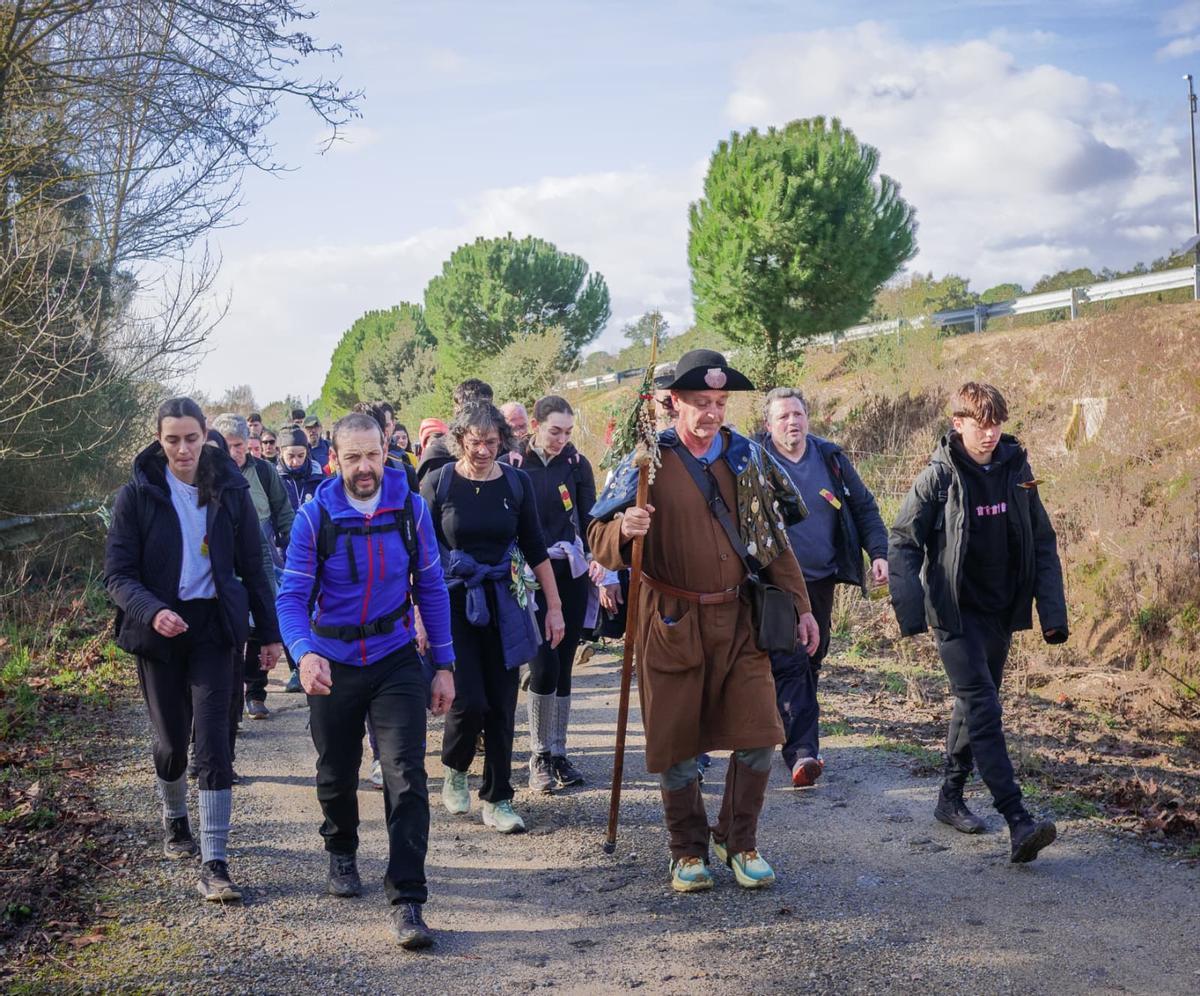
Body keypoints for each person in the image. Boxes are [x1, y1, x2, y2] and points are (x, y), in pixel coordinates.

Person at [588, 349, 819, 894]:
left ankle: (738, 840)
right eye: (700, 402)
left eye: (719, 402)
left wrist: (802, 606)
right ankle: (686, 849)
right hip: (670, 623)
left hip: (739, 619)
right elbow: (597, 543)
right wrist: (625, 528)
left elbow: (772, 542)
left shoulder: (746, 457)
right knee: (676, 743)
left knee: (761, 734)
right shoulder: (646, 462)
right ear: (673, 403)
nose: (712, 412)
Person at [276, 411, 456, 949]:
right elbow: (290, 599)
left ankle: (408, 900)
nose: (364, 467)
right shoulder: (314, 518)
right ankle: (341, 848)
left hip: (395, 654)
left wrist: (444, 664)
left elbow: (432, 587)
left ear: (386, 451)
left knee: (405, 774)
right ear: (334, 458)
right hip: (331, 659)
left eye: (372, 455)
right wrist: (305, 653)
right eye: (352, 457)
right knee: (336, 770)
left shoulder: (411, 510)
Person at [104, 398, 281, 902]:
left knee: (215, 741)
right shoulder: (136, 496)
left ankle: (215, 862)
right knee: (171, 742)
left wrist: (269, 634)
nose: (183, 449)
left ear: (206, 436)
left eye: (191, 438)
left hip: (214, 627)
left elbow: (254, 561)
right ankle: (174, 816)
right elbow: (117, 575)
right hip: (158, 628)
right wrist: (151, 610)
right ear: (158, 440)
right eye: (172, 439)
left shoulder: (230, 489)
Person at [889, 382, 1068, 864]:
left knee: (974, 705)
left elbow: (1043, 539)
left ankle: (949, 797)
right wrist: (911, 612)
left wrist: (1052, 613)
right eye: (979, 424)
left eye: (996, 424)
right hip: (954, 612)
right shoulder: (938, 477)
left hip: (1000, 611)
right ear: (958, 423)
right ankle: (1017, 820)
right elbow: (903, 539)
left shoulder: (1016, 469)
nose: (989, 434)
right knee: (985, 708)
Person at [421, 402, 565, 835]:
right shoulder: (437, 483)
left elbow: (536, 549)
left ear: (503, 440)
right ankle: (455, 767)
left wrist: (554, 608)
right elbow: (419, 555)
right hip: (453, 602)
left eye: (491, 441)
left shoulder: (516, 484)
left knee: (502, 704)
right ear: (460, 439)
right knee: (468, 701)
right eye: (474, 441)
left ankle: (499, 797)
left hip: (505, 599)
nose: (483, 450)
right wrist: (418, 616)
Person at [760, 388, 888, 787]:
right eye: (782, 417)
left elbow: (864, 507)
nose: (792, 422)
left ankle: (787, 731)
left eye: (797, 414)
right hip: (774, 584)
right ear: (768, 425)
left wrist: (878, 553)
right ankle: (803, 753)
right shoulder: (755, 460)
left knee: (813, 658)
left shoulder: (830, 459)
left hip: (820, 579)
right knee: (792, 659)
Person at [516, 396, 598, 792]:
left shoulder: (577, 465)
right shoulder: (515, 464)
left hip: (571, 571)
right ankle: (538, 754)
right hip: (531, 575)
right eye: (554, 431)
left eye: (567, 432)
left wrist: (601, 562)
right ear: (535, 425)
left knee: (564, 665)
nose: (561, 439)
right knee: (543, 666)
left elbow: (590, 518)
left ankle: (559, 752)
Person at [213, 413, 294, 721]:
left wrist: (290, 542)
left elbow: (282, 509)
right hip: (224, 558)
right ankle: (229, 699)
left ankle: (255, 692)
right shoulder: (209, 474)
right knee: (235, 628)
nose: (234, 452)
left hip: (261, 555)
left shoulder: (263, 471)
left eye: (239, 445)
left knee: (262, 623)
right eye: (228, 446)